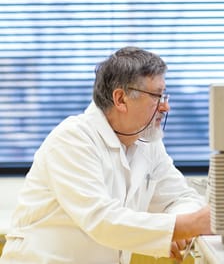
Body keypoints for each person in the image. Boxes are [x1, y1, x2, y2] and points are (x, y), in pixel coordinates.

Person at [0, 47, 211, 264]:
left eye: (164, 95)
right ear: (120, 99)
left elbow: (182, 198)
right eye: (156, 96)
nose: (166, 106)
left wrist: (174, 227)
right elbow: (101, 220)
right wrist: (184, 225)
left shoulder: (148, 143)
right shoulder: (72, 139)